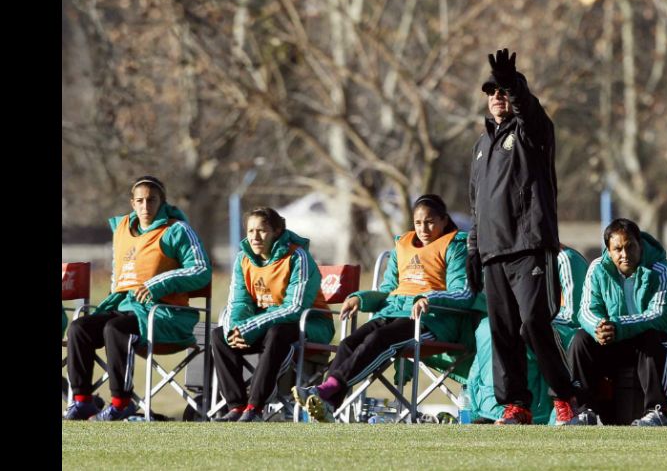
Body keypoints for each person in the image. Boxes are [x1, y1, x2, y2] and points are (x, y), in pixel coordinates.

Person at [466, 48, 579, 425]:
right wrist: (472, 248)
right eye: (492, 91)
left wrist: (514, 84)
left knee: (534, 323)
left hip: (529, 245)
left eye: (503, 91)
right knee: (502, 332)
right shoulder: (481, 146)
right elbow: (476, 204)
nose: (497, 97)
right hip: (493, 252)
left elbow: (527, 110)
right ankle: (516, 406)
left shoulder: (532, 132)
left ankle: (566, 399)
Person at [292, 194, 475, 422]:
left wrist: (430, 298)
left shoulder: (455, 246)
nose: (423, 228)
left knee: (380, 339)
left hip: (431, 320)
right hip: (392, 311)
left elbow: (463, 292)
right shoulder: (403, 246)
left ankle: (327, 390)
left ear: (444, 220)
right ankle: (327, 403)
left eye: (430, 221)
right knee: (349, 343)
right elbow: (388, 290)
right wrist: (360, 298)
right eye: (418, 223)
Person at [65, 175, 212, 421]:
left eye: (152, 200)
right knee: (80, 328)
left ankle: (122, 403)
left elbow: (200, 269)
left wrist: (158, 284)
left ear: (162, 202)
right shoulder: (122, 229)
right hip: (127, 309)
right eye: (140, 201)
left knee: (115, 328)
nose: (146, 207)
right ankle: (82, 401)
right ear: (132, 203)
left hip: (166, 314)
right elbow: (118, 276)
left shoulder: (176, 229)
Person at [570, 218, 667, 426]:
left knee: (650, 337)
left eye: (630, 246)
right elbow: (586, 310)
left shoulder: (661, 269)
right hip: (614, 343)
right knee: (580, 339)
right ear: (608, 250)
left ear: (639, 244)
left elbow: (659, 314)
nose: (624, 254)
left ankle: (656, 412)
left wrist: (618, 326)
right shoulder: (597, 269)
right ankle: (585, 411)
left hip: (658, 343)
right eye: (618, 249)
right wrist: (599, 328)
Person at [212, 207, 334, 422]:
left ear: (277, 231)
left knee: (277, 333)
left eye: (262, 230)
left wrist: (249, 328)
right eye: (250, 231)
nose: (255, 237)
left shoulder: (298, 257)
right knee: (220, 335)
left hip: (309, 324)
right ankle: (236, 406)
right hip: (264, 325)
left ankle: (255, 407)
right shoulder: (243, 259)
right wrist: (236, 329)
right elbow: (238, 302)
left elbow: (294, 307)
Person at [467, 244, 589, 424]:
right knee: (489, 328)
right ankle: (492, 409)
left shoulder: (565, 259)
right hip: (528, 324)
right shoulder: (511, 259)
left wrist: (527, 319)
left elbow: (573, 315)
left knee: (528, 331)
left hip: (563, 328)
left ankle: (542, 411)